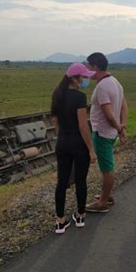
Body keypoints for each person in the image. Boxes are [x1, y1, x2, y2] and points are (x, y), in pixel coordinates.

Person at [50, 63, 97, 234]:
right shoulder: (79, 97)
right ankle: (80, 216)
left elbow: (54, 122)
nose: (86, 80)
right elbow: (83, 126)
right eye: (84, 77)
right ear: (74, 78)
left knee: (61, 182)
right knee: (81, 181)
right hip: (78, 144)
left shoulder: (57, 94)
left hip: (62, 143)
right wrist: (91, 149)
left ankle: (60, 221)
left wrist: (62, 136)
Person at [85, 52, 128, 213]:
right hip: (111, 133)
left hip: (103, 133)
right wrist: (122, 126)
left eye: (89, 66)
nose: (88, 70)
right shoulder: (115, 82)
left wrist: (119, 128)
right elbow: (124, 107)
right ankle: (106, 194)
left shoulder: (102, 86)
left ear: (95, 67)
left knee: (107, 169)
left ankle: (103, 202)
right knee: (107, 166)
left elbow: (108, 114)